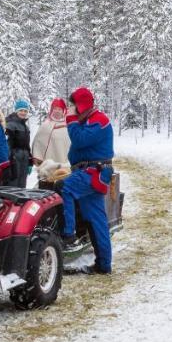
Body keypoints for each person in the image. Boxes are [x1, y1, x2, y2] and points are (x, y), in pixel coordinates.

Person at [61, 86, 114, 274]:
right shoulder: (90, 120)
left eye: (74, 105)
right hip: (90, 171)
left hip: (94, 171)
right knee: (96, 219)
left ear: (81, 105)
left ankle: (68, 234)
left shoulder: (99, 120)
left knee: (65, 188)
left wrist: (71, 119)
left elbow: (80, 140)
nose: (72, 109)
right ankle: (103, 264)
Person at [32, 97, 72, 169]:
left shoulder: (69, 125)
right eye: (55, 109)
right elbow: (38, 143)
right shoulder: (46, 125)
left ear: (63, 111)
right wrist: (38, 158)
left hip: (66, 163)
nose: (57, 111)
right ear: (51, 110)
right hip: (49, 163)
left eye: (59, 109)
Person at [5, 98, 32, 187]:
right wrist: (10, 160)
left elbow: (27, 146)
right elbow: (7, 145)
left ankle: (21, 201)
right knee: (14, 184)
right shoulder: (10, 125)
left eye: (25, 111)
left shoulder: (25, 127)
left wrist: (30, 161)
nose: (23, 113)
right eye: (21, 110)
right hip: (14, 159)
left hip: (24, 159)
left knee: (22, 184)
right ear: (16, 111)